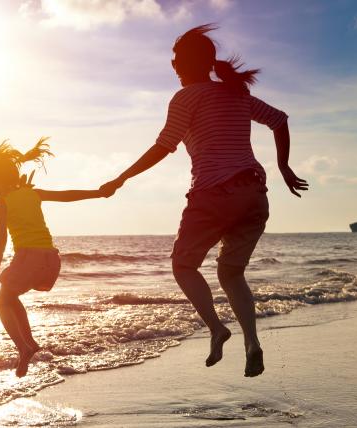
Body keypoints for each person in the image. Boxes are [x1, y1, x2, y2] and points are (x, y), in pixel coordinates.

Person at [100, 24, 308, 377]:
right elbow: (279, 120)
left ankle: (216, 328)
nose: (173, 64)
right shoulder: (234, 94)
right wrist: (284, 167)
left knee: (183, 265)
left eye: (178, 59)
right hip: (255, 195)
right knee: (231, 272)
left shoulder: (187, 97)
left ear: (195, 63)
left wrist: (122, 177)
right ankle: (252, 344)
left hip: (215, 193)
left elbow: (164, 146)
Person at [0, 138, 111, 377]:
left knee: (1, 303)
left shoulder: (0, 204)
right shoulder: (33, 194)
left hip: (28, 259)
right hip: (51, 260)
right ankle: (29, 344)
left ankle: (24, 346)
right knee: (10, 297)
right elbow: (67, 195)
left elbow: (0, 241)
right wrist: (98, 193)